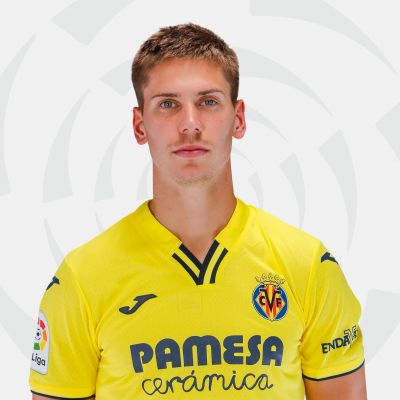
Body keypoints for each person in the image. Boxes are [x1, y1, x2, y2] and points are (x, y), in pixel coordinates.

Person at [29, 23, 367, 399]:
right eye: (168, 104)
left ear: (238, 118)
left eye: (208, 102)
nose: (189, 124)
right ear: (140, 126)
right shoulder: (81, 279)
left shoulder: (308, 266)